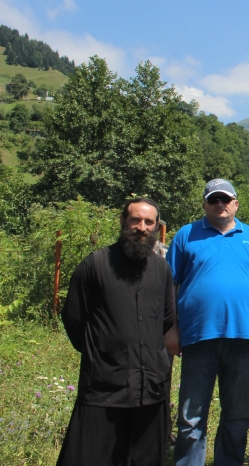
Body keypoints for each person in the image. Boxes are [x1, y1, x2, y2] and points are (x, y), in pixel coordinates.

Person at [165, 178, 249, 466]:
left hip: (242, 338)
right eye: (213, 199)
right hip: (197, 337)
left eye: (225, 199)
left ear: (236, 204)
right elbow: (170, 285)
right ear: (204, 205)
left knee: (237, 415)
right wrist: (171, 328)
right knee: (191, 417)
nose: (219, 204)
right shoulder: (186, 235)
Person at [58, 197, 175, 466]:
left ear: (157, 226)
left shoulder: (161, 269)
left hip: (150, 387)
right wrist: (102, 352)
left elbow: (166, 319)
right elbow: (74, 318)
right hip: (104, 386)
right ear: (123, 221)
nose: (142, 227)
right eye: (135, 220)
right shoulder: (95, 265)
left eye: (149, 222)